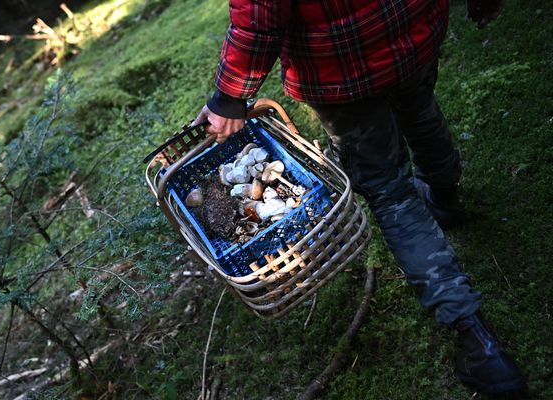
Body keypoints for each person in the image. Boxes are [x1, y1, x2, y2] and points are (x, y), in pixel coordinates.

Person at [194, 0, 526, 395]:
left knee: (390, 190)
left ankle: (478, 344)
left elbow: (259, 18)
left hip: (341, 71)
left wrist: (230, 96)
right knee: (420, 109)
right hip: (412, 29)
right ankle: (445, 196)